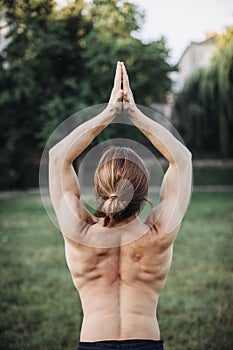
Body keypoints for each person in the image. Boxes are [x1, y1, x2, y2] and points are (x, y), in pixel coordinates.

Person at [49, 62, 192, 350]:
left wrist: (109, 113)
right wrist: (136, 115)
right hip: (146, 344)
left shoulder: (79, 234)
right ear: (143, 192)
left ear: (98, 189)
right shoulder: (159, 234)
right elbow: (182, 159)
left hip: (93, 343)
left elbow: (57, 158)